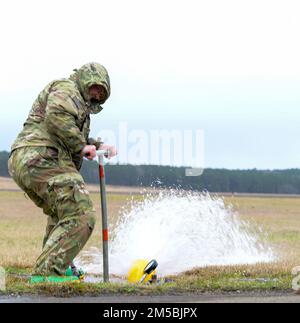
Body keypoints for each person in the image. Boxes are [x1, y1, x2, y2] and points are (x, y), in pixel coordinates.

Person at [8, 62, 116, 278]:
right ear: (85, 79)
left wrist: (94, 145)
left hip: (31, 158)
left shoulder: (78, 105)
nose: (96, 93)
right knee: (81, 212)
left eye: (101, 92)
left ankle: (60, 267)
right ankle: (48, 272)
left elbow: (71, 131)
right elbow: (57, 116)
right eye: (95, 86)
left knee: (63, 213)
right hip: (41, 155)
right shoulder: (67, 88)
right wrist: (81, 146)